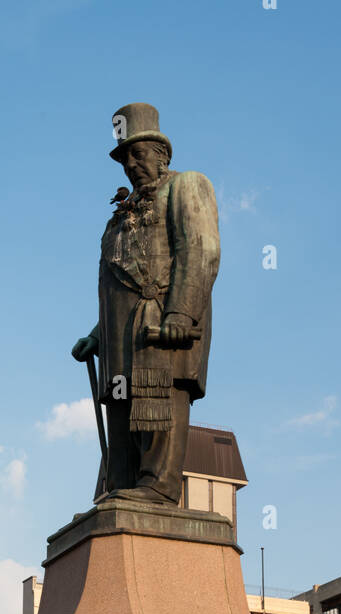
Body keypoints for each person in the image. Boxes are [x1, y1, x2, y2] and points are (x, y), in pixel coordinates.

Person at [72, 103, 220, 506]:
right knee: (121, 412)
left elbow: (200, 251)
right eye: (125, 159)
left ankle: (158, 485)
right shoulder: (120, 215)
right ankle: (122, 486)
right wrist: (97, 334)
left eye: (140, 154)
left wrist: (180, 312)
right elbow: (122, 282)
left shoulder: (187, 185)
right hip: (121, 340)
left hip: (162, 326)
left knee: (158, 408)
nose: (132, 165)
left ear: (162, 155)